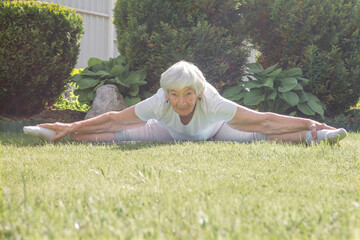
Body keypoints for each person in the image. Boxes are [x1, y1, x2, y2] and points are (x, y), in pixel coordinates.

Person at [26, 61, 347, 144]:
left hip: (216, 130)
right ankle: (55, 134)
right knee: (108, 137)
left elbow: (263, 120)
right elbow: (113, 119)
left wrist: (308, 123)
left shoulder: (214, 102)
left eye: (188, 94)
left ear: (199, 91)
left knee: (261, 136)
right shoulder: (158, 102)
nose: (181, 102)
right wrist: (72, 125)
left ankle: (316, 136)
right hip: (164, 132)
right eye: (174, 95)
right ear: (166, 93)